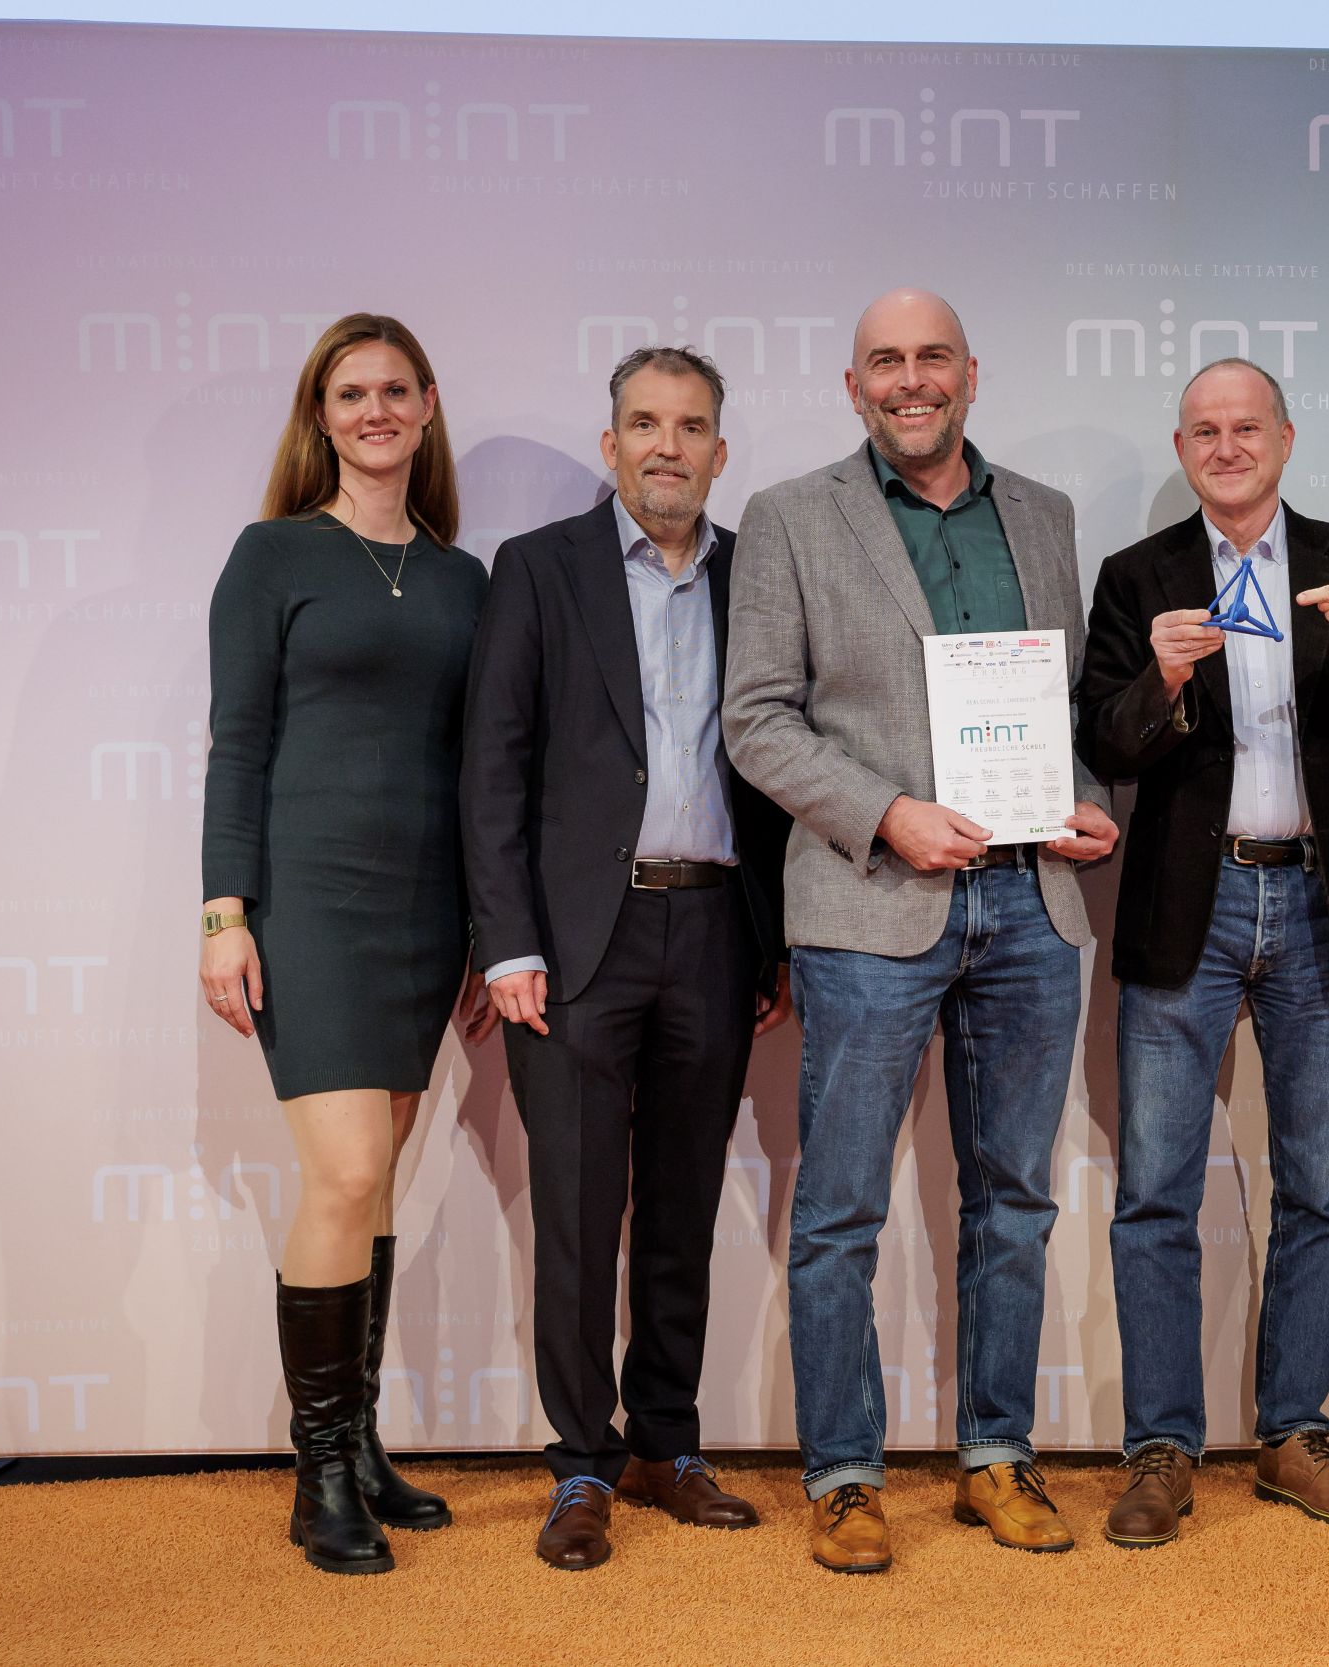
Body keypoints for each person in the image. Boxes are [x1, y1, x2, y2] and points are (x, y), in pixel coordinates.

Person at [723, 288, 1117, 1573]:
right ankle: (844, 1474)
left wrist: (1083, 799)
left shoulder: (1043, 514)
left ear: (970, 372)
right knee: (840, 1208)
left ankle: (996, 1453)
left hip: (1031, 902)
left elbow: (1063, 708)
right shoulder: (789, 516)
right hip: (866, 903)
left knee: (1014, 1200)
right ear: (853, 386)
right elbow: (756, 719)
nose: (911, 379)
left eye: (931, 356)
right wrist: (886, 813)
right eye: (885, 361)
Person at [1078, 357, 1329, 1547]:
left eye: (1246, 427)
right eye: (1204, 430)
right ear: (1181, 449)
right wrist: (1160, 677)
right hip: (1187, 909)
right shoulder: (1137, 576)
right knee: (1153, 1195)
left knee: (1321, 1193)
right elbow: (1107, 747)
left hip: (1322, 909)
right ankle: (1160, 1446)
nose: (1226, 446)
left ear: (1286, 438)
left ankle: (1295, 1433)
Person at [460, 346, 792, 1570]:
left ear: (719, 449)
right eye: (644, 423)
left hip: (715, 930)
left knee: (683, 1206)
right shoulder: (537, 568)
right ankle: (581, 1461)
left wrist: (774, 939)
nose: (667, 445)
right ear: (611, 446)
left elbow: (779, 760)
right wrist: (507, 941)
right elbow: (491, 766)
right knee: (577, 1208)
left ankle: (667, 1441)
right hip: (574, 944)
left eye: (690, 426)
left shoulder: (757, 573)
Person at [199, 313, 491, 1576]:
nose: (375, 411)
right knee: (345, 1169)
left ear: (426, 407)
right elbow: (238, 743)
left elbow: (481, 766)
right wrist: (224, 912)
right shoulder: (272, 554)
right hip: (309, 902)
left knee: (376, 1185)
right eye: (349, 392)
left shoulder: (463, 579)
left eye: (394, 390)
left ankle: (360, 1446)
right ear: (320, 415)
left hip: (428, 908)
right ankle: (317, 1472)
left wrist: (488, 930)